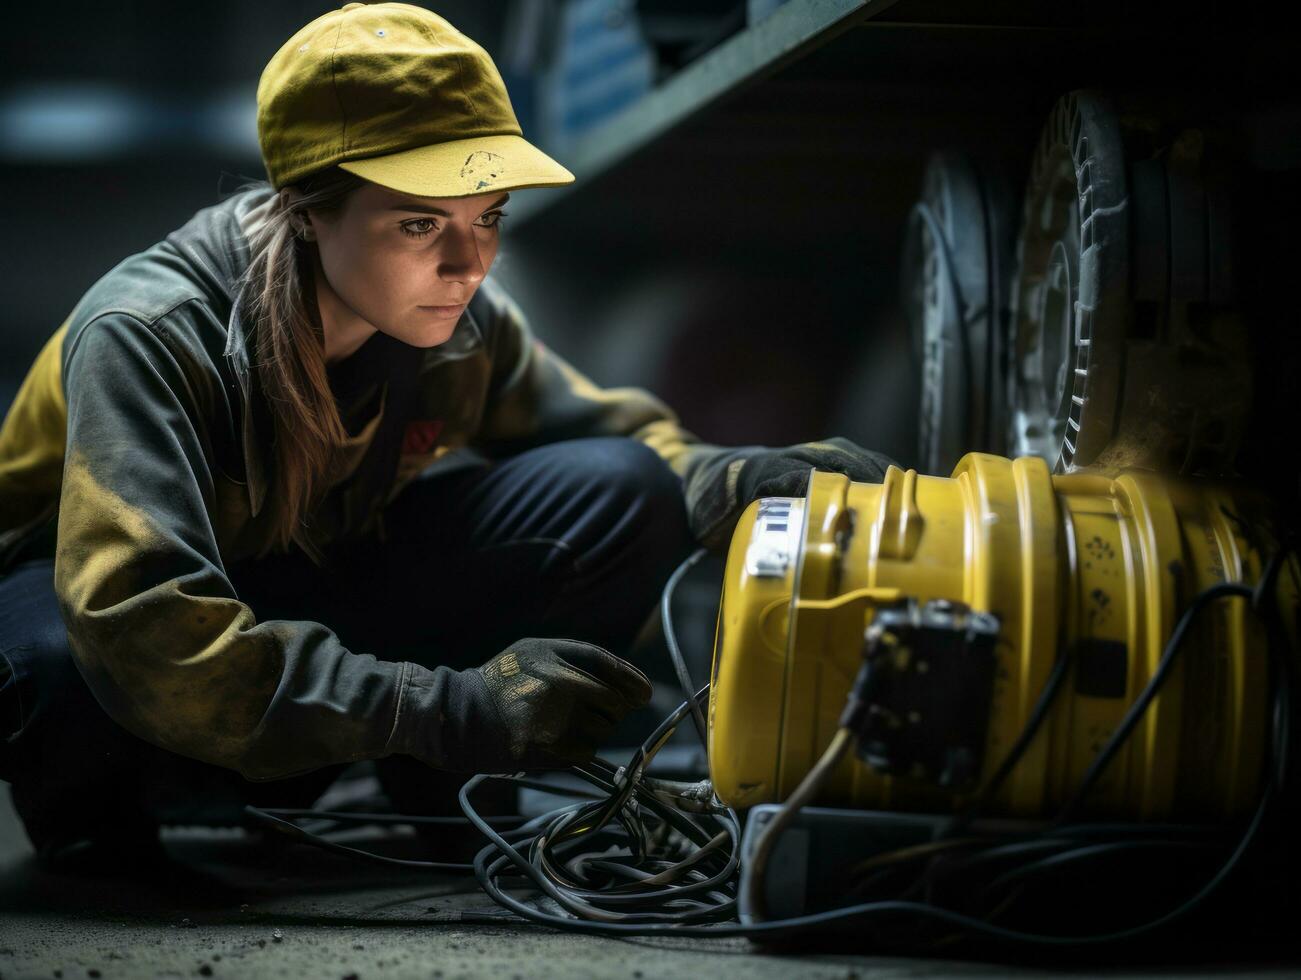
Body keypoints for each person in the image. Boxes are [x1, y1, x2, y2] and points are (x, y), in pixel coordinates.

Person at [0, 2, 894, 867]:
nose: (467, 265)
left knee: (620, 487)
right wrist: (444, 705)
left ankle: (430, 784)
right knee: (53, 659)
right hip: (113, 642)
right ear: (307, 211)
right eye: (420, 224)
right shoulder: (149, 333)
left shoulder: (455, 318)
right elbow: (145, 626)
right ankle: (119, 822)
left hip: (296, 585)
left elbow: (609, 431)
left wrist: (729, 481)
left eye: (487, 219)